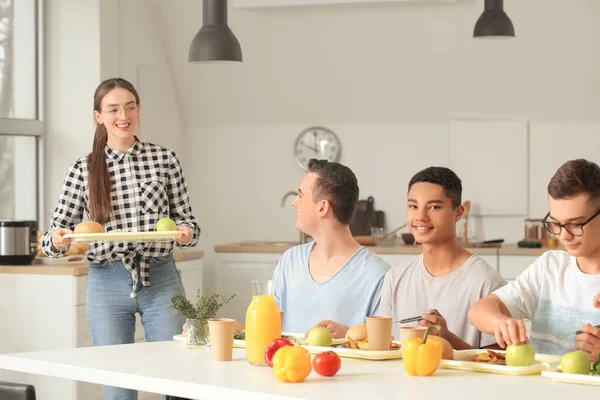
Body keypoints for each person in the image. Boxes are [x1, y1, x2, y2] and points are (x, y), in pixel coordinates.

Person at [41, 77, 200, 400]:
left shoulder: (164, 159)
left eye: (129, 107)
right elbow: (54, 235)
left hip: (161, 276)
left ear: (138, 110)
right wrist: (57, 240)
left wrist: (184, 233)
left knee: (179, 378)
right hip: (106, 282)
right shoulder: (83, 169)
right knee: (118, 387)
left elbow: (189, 222)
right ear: (99, 116)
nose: (122, 115)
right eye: (112, 109)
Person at [469, 159, 600, 360]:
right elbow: (479, 311)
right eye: (556, 223)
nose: (564, 236)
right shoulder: (550, 268)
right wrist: (501, 323)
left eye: (575, 224)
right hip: (538, 390)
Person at [378, 167, 505, 349]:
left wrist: (448, 339)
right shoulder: (395, 278)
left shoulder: (486, 282)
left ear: (458, 213)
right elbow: (386, 348)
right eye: (413, 206)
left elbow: (497, 363)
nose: (420, 217)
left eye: (434, 207)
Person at [272, 159, 390, 339]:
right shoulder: (289, 261)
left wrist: (350, 335)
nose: (294, 202)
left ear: (323, 207)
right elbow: (269, 328)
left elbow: (386, 344)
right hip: (287, 366)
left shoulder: (377, 275)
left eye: (301, 195)